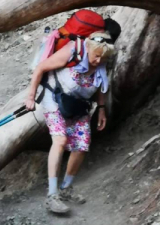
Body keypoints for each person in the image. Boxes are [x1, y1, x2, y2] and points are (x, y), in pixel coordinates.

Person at [25, 30, 116, 214]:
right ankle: (52, 195)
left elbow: (100, 85)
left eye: (102, 58)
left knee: (81, 146)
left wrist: (101, 109)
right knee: (60, 140)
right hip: (53, 97)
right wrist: (30, 97)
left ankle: (66, 188)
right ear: (89, 49)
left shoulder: (101, 63)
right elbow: (41, 68)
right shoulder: (72, 51)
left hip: (78, 104)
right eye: (96, 56)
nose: (98, 61)